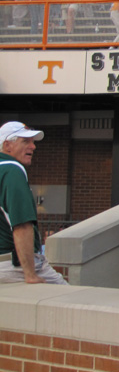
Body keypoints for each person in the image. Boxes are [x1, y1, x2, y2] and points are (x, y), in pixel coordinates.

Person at [0, 122, 67, 285]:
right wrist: (30, 274)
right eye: (26, 141)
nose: (33, 146)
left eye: (33, 142)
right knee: (74, 303)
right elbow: (21, 225)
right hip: (14, 265)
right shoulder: (13, 169)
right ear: (7, 145)